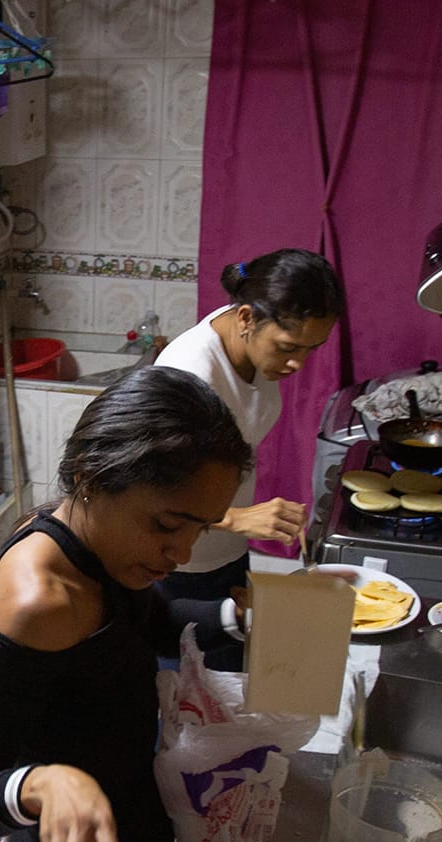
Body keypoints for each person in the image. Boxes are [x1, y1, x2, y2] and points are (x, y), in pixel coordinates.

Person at [0, 366, 253, 842]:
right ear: (90, 473)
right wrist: (41, 783)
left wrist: (239, 618)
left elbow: (149, 621)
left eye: (199, 529)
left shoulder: (101, 546)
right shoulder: (40, 600)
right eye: (165, 525)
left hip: (131, 810)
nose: (181, 553)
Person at [154, 247, 344, 668]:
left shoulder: (253, 352)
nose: (299, 363)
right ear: (245, 318)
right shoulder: (190, 376)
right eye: (288, 347)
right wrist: (241, 519)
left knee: (228, 696)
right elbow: (149, 501)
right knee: (185, 707)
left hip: (223, 555)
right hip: (175, 567)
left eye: (313, 348)